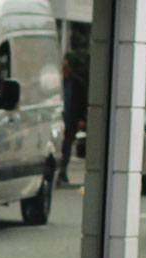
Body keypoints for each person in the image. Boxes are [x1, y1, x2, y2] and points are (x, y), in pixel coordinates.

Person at [57, 56, 87, 186]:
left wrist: (82, 119)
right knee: (58, 147)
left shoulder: (76, 83)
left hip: (71, 120)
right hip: (58, 120)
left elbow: (82, 101)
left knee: (66, 147)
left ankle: (62, 171)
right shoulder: (58, 84)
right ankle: (58, 172)